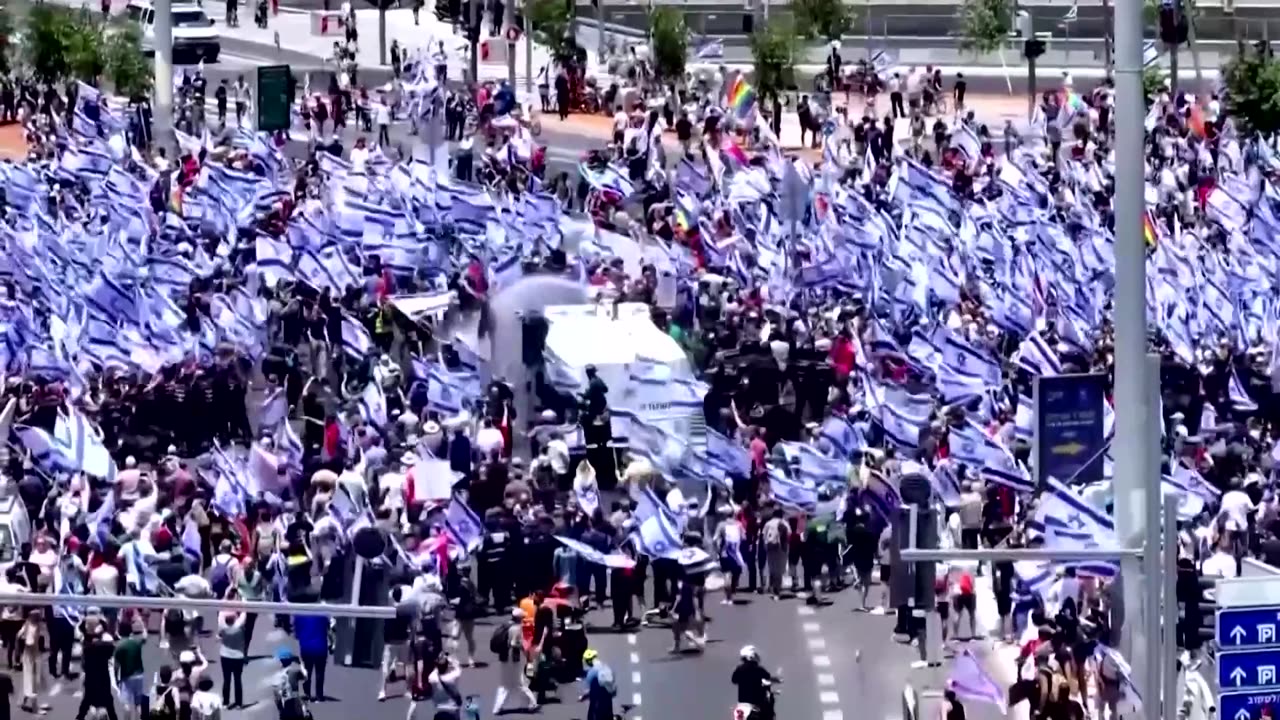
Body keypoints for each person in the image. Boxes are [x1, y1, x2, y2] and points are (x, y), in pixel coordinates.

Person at [492, 608, 538, 715]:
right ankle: (533, 703)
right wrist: (523, 649)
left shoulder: (505, 625)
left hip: (503, 657)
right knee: (520, 683)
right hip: (513, 658)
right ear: (519, 618)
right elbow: (513, 644)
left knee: (504, 684)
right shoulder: (517, 628)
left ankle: (497, 708)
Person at [731, 646, 779, 720]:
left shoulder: (739, 669)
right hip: (755, 708)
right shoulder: (760, 670)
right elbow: (768, 681)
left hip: (741, 707)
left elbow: (734, 680)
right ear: (752, 656)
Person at [579, 649, 616, 720]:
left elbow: (590, 689)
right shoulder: (605, 668)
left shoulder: (592, 672)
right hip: (607, 704)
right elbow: (612, 689)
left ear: (588, 660)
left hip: (597, 705)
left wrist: (584, 696)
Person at [272, 649, 308, 720]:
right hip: (295, 703)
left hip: (285, 705)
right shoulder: (294, 672)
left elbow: (276, 696)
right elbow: (305, 676)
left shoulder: (277, 675)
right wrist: (301, 664)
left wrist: (280, 709)